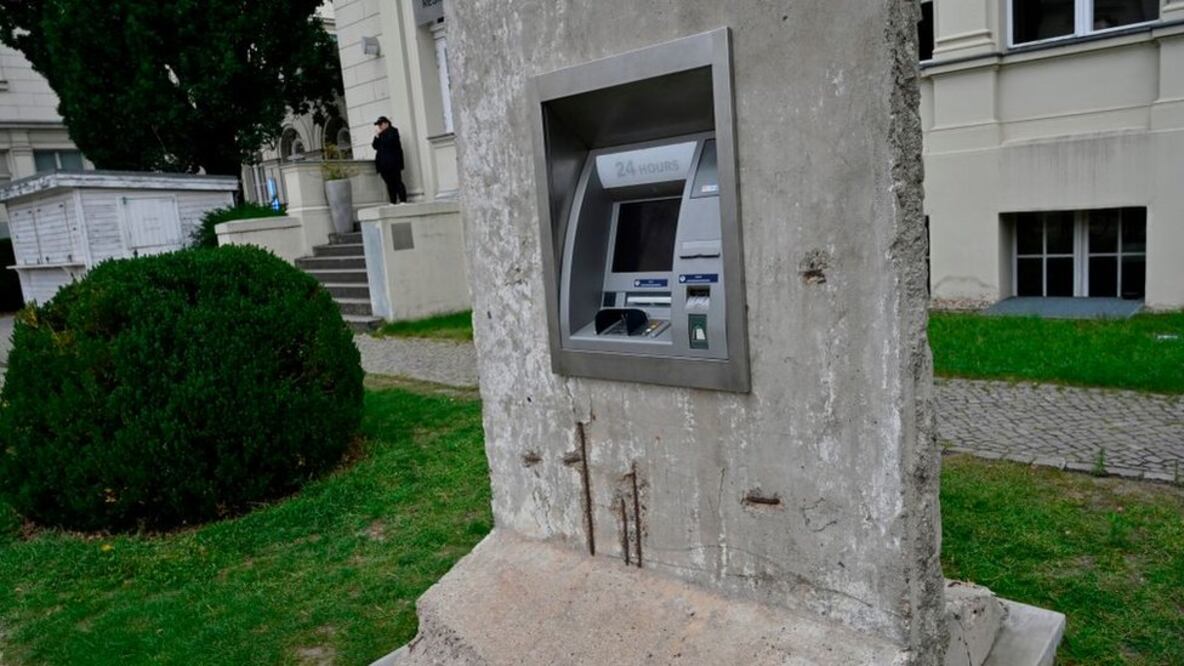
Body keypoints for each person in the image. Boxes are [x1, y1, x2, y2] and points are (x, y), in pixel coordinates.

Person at [372, 116, 407, 204]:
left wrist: (380, 135)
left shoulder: (393, 131)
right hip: (383, 165)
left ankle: (402, 199)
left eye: (381, 124)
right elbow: (375, 146)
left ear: (386, 123)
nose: (379, 126)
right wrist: (376, 136)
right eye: (378, 125)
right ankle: (393, 201)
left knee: (397, 181)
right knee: (389, 183)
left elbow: (390, 142)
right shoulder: (380, 134)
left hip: (393, 163)